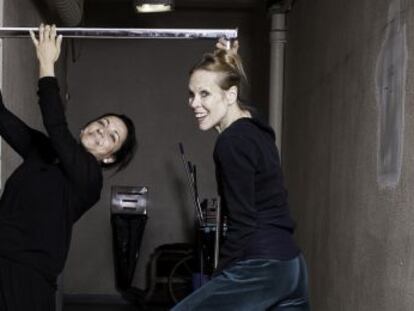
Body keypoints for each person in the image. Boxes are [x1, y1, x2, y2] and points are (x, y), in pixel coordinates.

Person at [0, 24, 137, 311]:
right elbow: (3, 120)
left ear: (109, 156)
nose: (102, 131)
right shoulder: (46, 152)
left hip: (28, 279)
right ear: (88, 125)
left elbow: (56, 126)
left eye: (112, 136)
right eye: (102, 123)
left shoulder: (89, 181)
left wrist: (47, 63)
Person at [171, 40, 310, 310]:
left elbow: (243, 223)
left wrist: (219, 278)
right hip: (292, 267)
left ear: (230, 95)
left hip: (261, 266)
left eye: (204, 94)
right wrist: (230, 62)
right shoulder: (258, 128)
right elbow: (248, 112)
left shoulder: (231, 142)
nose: (194, 103)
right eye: (191, 94)